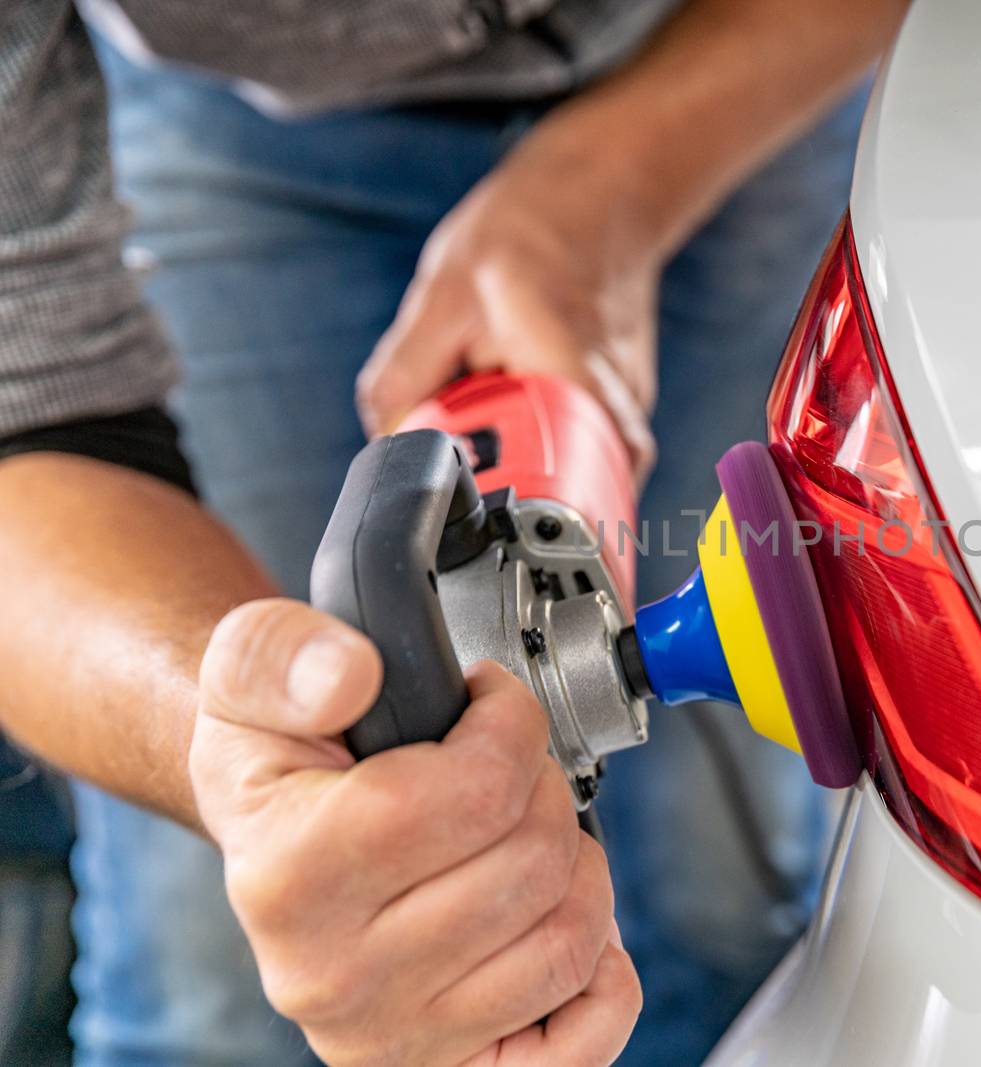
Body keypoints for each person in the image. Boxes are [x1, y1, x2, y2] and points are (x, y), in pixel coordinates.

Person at [0, 1, 906, 1063]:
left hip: (743, 59)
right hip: (229, 131)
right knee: (214, 969)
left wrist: (611, 180)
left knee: (702, 896)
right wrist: (236, 750)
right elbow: (32, 412)